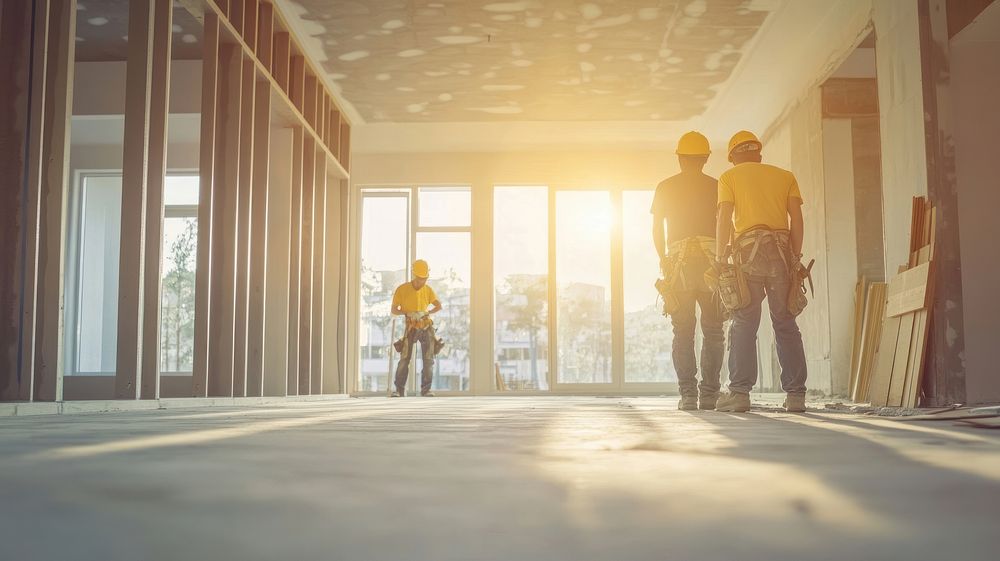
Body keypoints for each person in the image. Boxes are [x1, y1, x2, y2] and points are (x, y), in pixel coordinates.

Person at [714, 131, 808, 413]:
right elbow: (797, 219)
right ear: (759, 154)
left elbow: (723, 219)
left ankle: (740, 394)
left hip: (747, 255)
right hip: (780, 253)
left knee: (744, 322)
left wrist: (720, 257)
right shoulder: (785, 176)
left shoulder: (729, 178)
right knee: (785, 322)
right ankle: (796, 397)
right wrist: (795, 256)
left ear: (732, 157)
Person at [651, 131, 726, 411]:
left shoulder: (665, 186)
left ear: (680, 158)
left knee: (682, 332)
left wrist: (663, 258)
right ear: (706, 158)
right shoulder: (717, 186)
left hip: (679, 266)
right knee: (714, 330)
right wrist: (724, 257)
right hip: (710, 263)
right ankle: (709, 395)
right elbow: (727, 224)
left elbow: (657, 228)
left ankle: (688, 396)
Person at [390, 259, 442, 397]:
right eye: (420, 279)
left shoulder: (428, 290)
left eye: (424, 279)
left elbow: (438, 306)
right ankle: (399, 390)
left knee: (428, 360)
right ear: (414, 275)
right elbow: (394, 310)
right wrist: (407, 313)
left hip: (425, 326)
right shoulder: (402, 289)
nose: (422, 282)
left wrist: (427, 313)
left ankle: (426, 390)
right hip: (411, 326)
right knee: (404, 358)